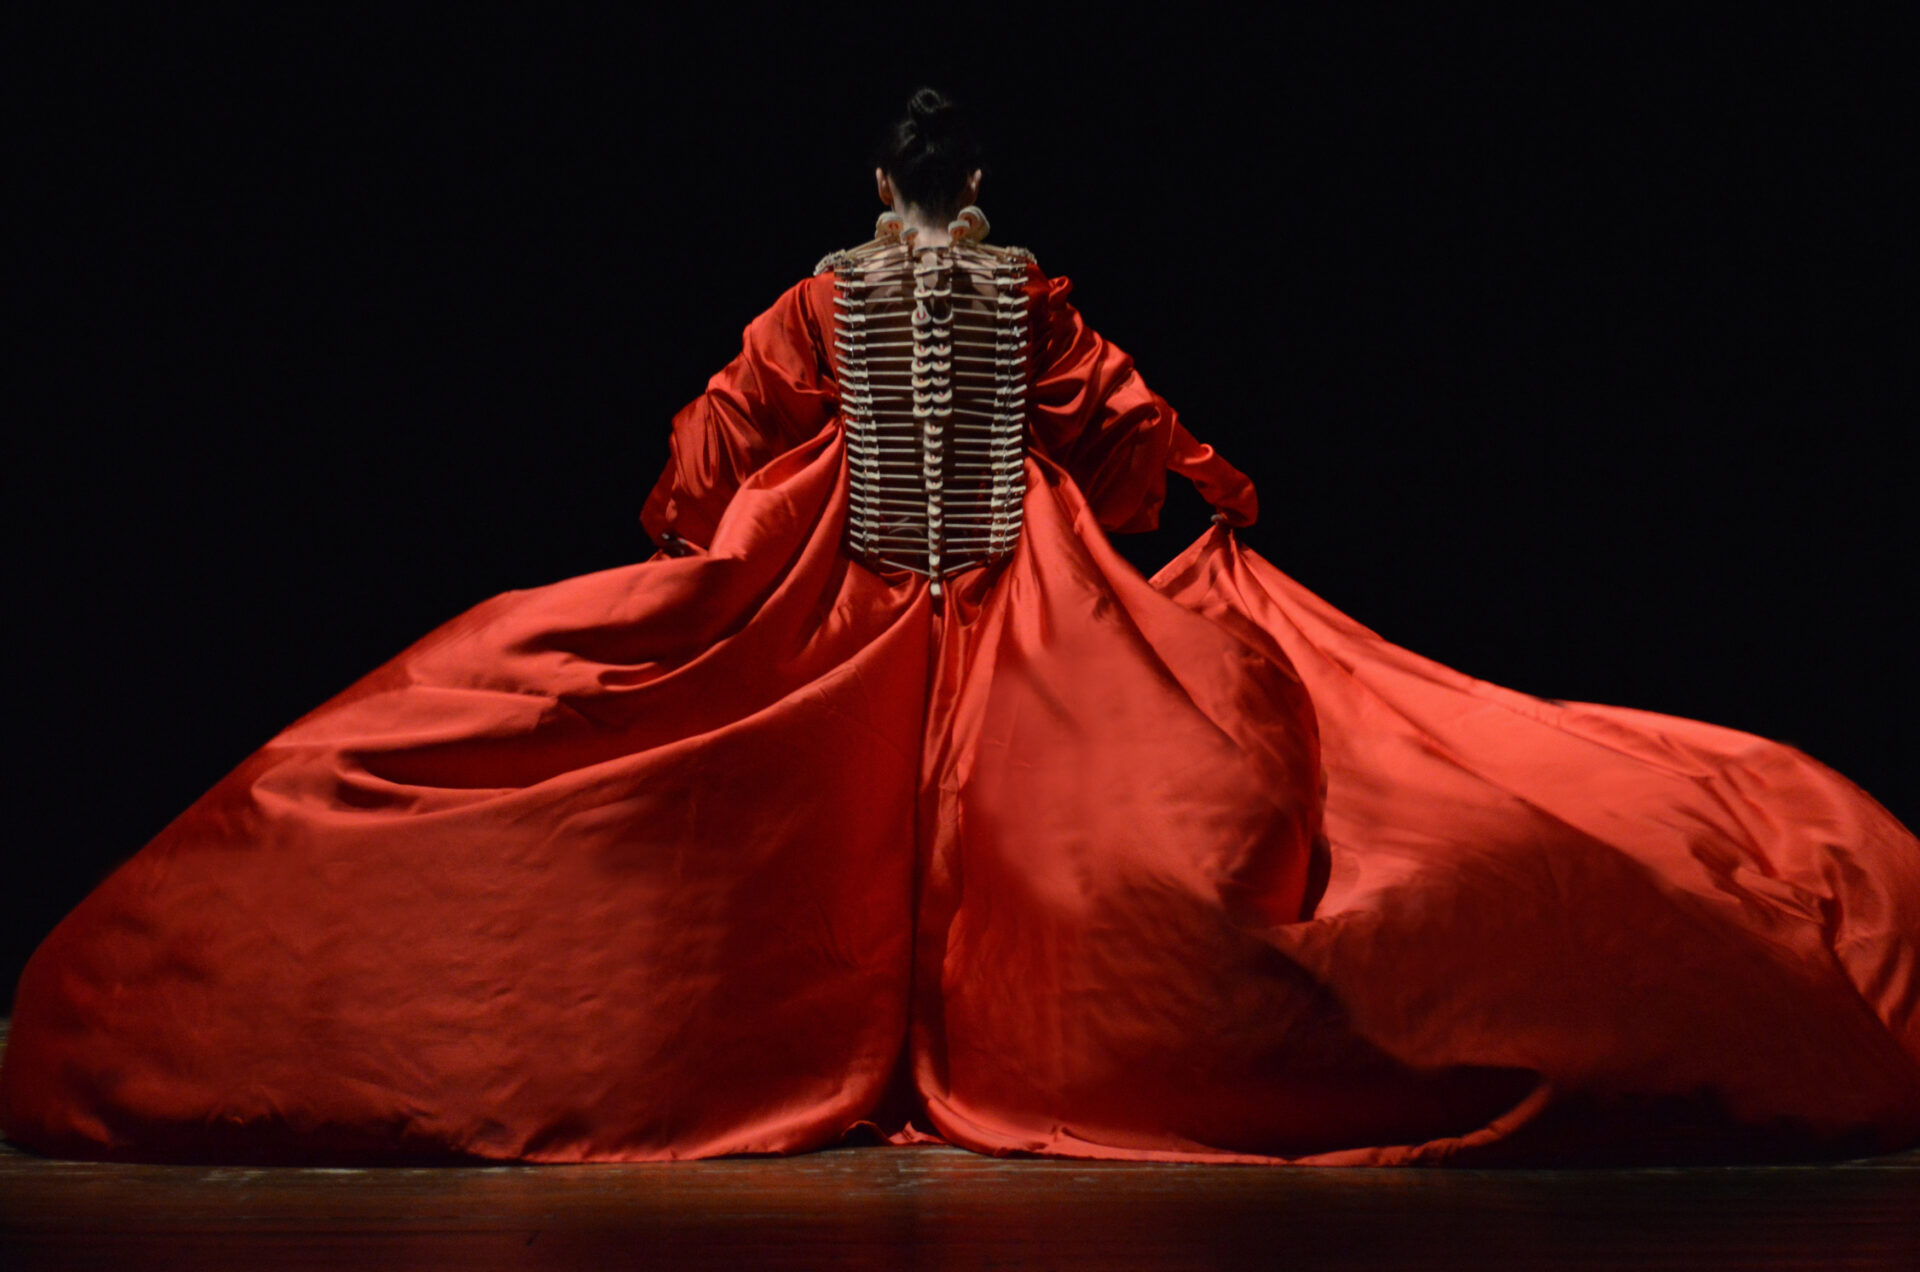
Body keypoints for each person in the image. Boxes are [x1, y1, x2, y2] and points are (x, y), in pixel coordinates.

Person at [3, 89, 1916, 1167]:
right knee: (1085, 828)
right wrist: (1209, 487)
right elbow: (1124, 425)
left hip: (847, 590)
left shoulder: (832, 293)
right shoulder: (1017, 287)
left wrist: (691, 522)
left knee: (803, 821)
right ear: (973, 184)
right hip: (1016, 590)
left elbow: (716, 429)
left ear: (878, 187)